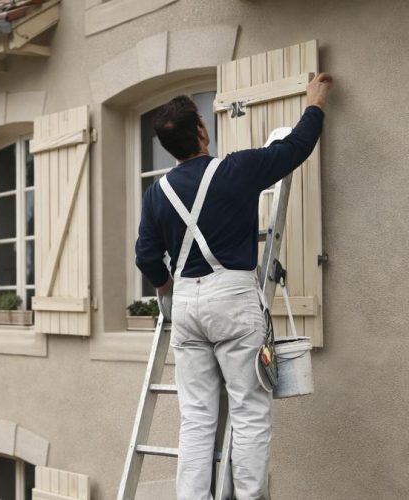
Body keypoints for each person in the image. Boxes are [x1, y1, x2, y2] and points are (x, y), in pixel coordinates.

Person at [134, 73, 332, 500]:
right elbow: (294, 148)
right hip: (233, 297)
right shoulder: (234, 170)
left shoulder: (156, 194)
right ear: (202, 131)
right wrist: (314, 103)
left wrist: (169, 287)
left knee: (197, 417)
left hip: (185, 303)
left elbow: (146, 258)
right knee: (248, 411)